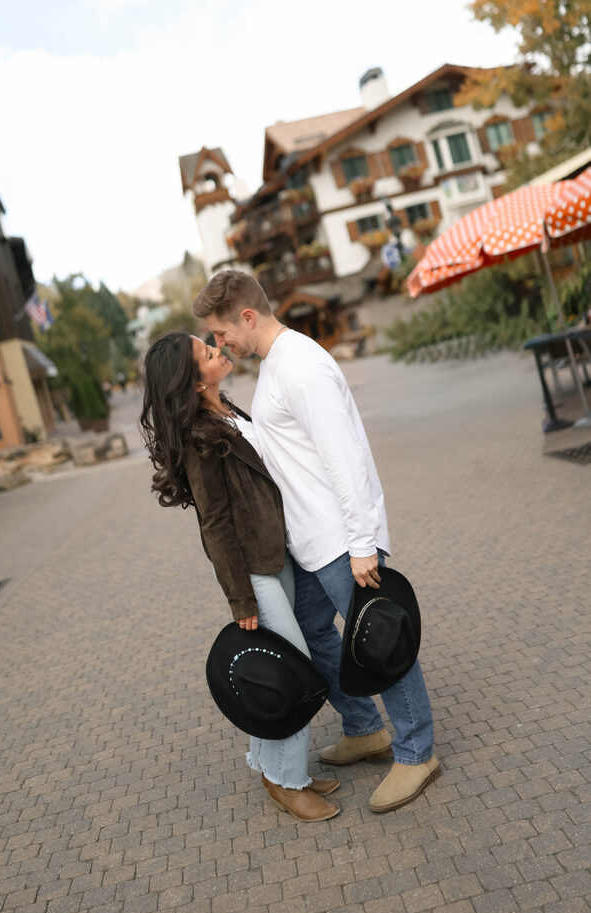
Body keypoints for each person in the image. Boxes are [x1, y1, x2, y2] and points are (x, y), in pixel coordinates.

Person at [193, 270, 439, 813]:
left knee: (380, 641)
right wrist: (215, 411)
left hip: (338, 539)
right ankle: (364, 727)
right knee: (311, 633)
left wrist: (362, 543)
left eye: (220, 331)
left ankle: (417, 752)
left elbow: (344, 456)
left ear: (247, 317)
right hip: (311, 543)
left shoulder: (301, 366)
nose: (219, 343)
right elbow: (279, 447)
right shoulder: (276, 367)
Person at [139, 331, 340, 822]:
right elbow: (215, 523)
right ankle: (288, 782)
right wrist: (241, 600)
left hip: (277, 557)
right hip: (255, 573)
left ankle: (272, 765)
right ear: (190, 379)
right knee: (291, 674)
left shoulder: (223, 409)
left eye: (211, 345)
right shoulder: (198, 436)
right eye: (207, 354)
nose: (218, 351)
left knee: (275, 668)